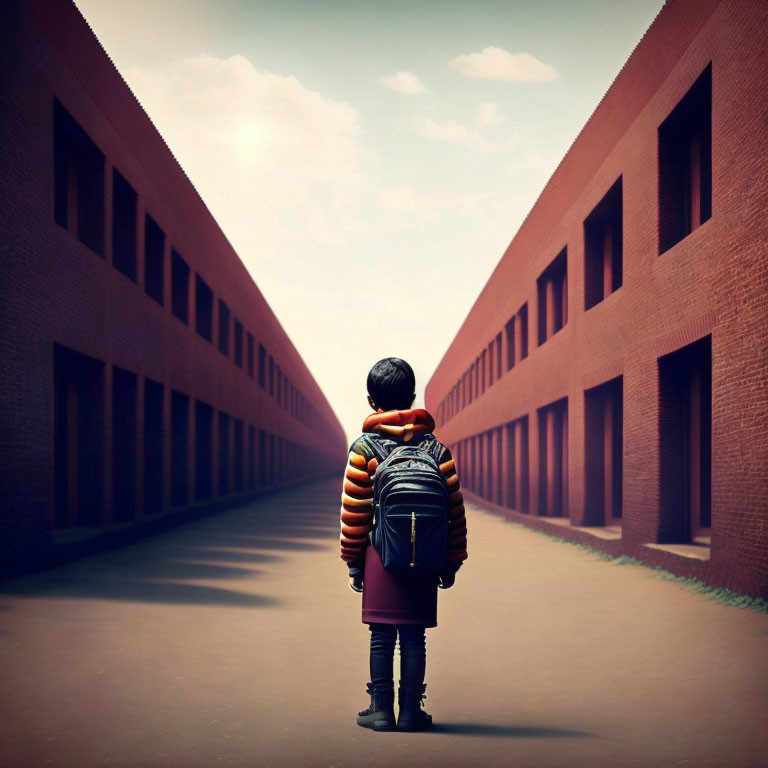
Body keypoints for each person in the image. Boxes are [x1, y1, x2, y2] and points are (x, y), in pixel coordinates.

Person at [339, 357, 468, 732]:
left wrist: (353, 562)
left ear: (370, 401)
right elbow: (454, 511)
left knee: (381, 636)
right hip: (426, 555)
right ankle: (411, 711)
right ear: (412, 398)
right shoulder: (436, 450)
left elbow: (355, 512)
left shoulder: (364, 449)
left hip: (380, 556)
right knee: (414, 636)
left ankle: (380, 710)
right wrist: (452, 561)